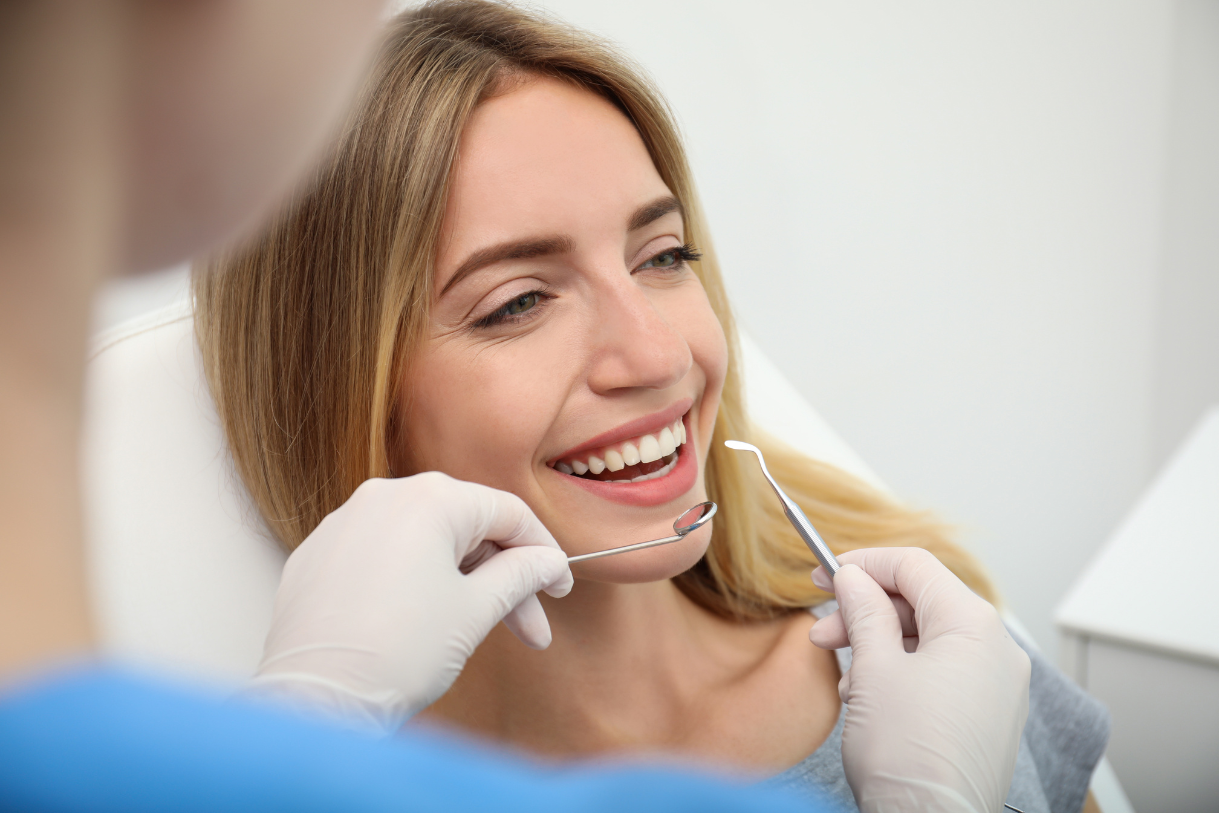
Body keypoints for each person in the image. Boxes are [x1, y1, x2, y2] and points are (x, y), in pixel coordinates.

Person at [0, 1, 1037, 811]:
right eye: (519, 302)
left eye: (664, 255)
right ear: (340, 379)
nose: (654, 352)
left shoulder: (947, 668)